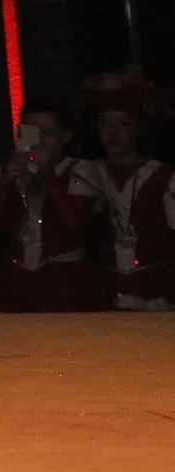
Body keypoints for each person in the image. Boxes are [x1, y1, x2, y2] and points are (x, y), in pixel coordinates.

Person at [66, 72, 172, 311]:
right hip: (103, 292)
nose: (112, 132)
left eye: (123, 123)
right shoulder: (87, 172)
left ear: (139, 129)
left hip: (156, 293)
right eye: (104, 123)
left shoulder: (164, 176)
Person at [0, 101, 92, 313]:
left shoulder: (79, 170)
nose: (39, 143)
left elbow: (74, 224)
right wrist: (7, 181)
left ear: (66, 136)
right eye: (32, 134)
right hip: (16, 281)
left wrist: (49, 176)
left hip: (63, 281)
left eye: (48, 134)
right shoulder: (6, 174)